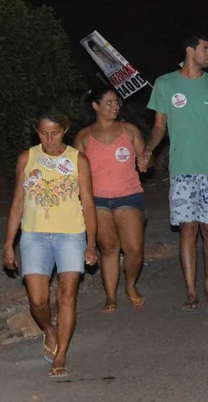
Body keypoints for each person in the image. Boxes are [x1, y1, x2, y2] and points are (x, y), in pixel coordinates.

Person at [3, 110, 98, 378]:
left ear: (65, 130)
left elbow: (88, 203)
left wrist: (92, 243)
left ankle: (61, 354)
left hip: (70, 234)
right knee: (37, 299)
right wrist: (9, 243)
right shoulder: (27, 158)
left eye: (54, 133)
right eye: (43, 133)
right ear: (37, 131)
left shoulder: (78, 159)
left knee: (67, 296)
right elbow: (17, 203)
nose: (49, 138)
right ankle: (49, 330)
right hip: (34, 235)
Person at [144, 35, 208, 310]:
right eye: (206, 49)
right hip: (182, 169)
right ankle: (192, 290)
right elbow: (160, 125)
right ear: (190, 50)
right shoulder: (165, 83)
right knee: (188, 229)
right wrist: (148, 150)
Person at [74, 88, 148, 312]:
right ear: (95, 106)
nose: (115, 106)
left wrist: (146, 160)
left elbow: (145, 159)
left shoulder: (130, 131)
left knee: (134, 248)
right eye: (108, 103)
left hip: (129, 194)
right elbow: (75, 172)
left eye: (116, 102)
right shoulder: (84, 137)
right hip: (97, 200)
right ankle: (110, 296)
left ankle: (131, 286)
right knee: (109, 248)